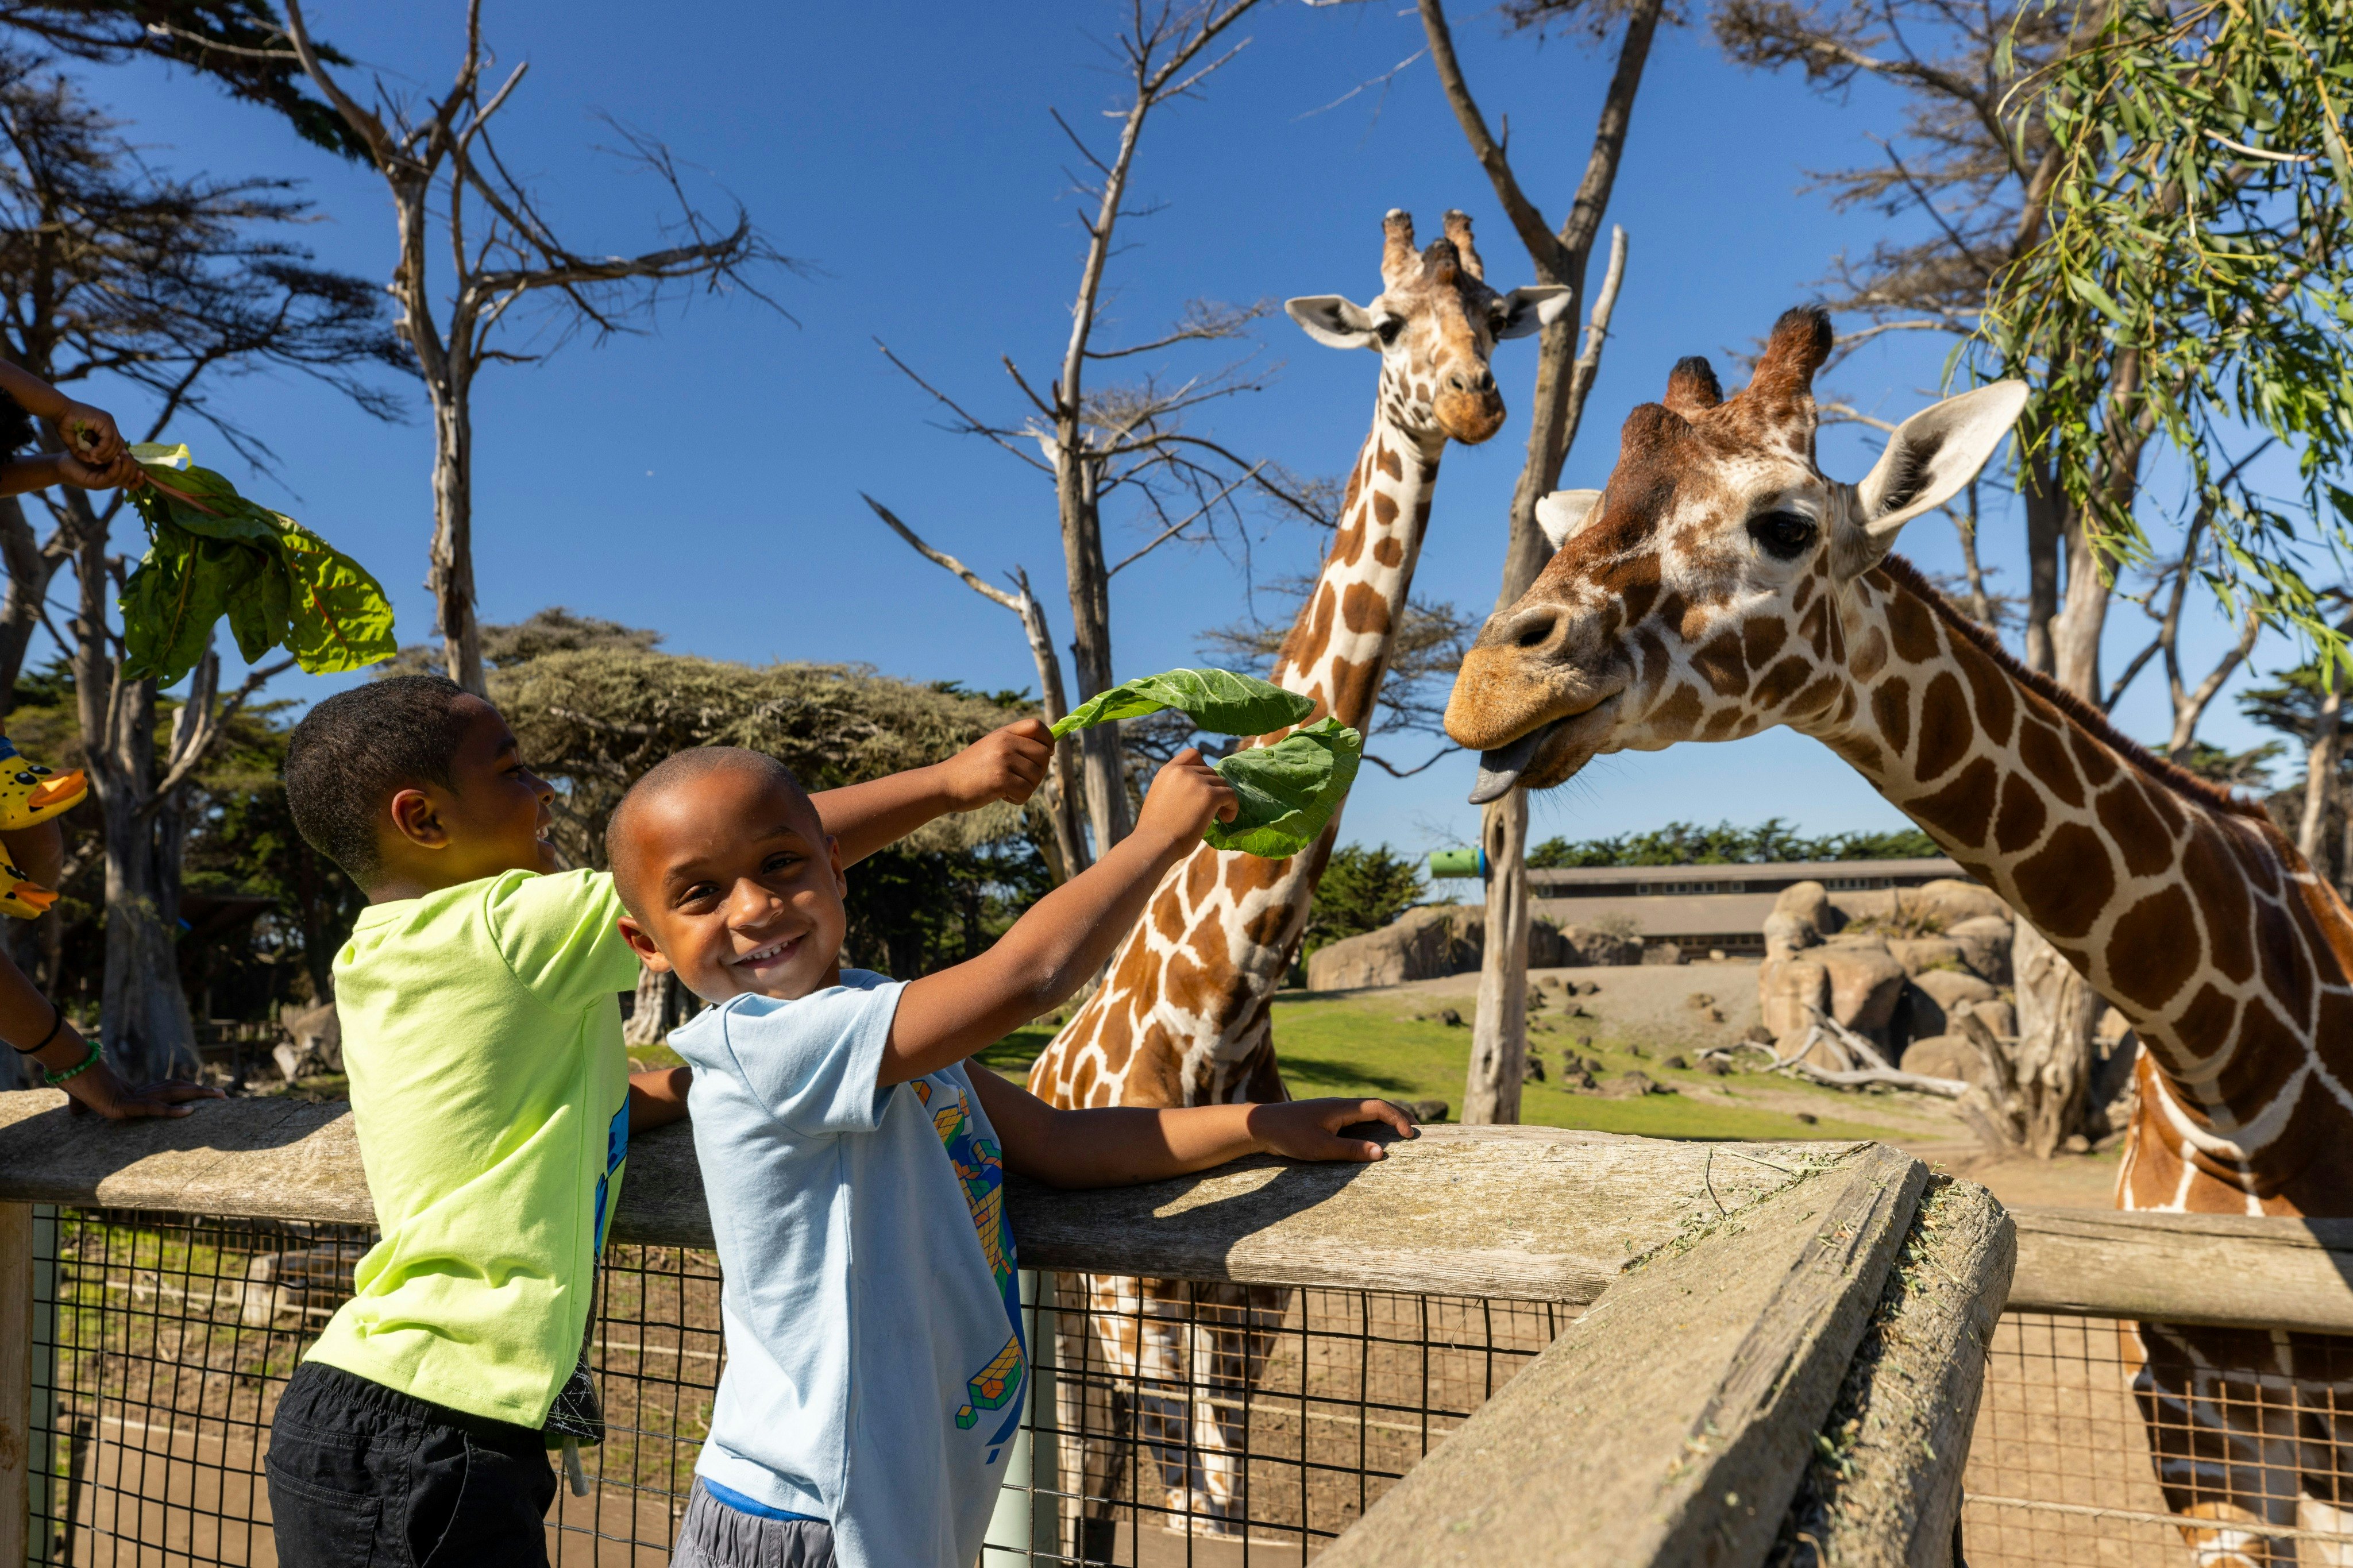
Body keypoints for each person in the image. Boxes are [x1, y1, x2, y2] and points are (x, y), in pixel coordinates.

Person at [267, 674, 1052, 1567]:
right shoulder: (498, 923)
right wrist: (955, 780)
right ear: (424, 819)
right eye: (515, 771)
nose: (545, 792)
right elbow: (718, 856)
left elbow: (512, 1117)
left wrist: (700, 1084)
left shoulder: (378, 951)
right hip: (434, 1427)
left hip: (382, 1410)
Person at [605, 743, 1417, 1568]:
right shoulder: (768, 1044)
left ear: (835, 867)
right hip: (807, 1516)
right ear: (648, 943)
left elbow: (1059, 1143)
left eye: (781, 863)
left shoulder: (872, 1018)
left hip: (899, 1494)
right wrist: (1156, 843)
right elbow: (1028, 975)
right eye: (701, 892)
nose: (754, 906)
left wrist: (1260, 1126)